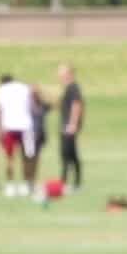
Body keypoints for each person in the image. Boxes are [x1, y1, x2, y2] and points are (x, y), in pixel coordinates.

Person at [0, 69, 39, 196]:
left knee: (9, 157)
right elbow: (33, 107)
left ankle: (10, 185)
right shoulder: (24, 88)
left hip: (9, 127)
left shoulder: (0, 91)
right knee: (27, 156)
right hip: (26, 126)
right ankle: (26, 184)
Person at [51, 63, 86, 191]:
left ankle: (66, 182)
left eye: (61, 72)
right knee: (70, 154)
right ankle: (74, 182)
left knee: (67, 154)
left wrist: (72, 124)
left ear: (68, 74)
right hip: (65, 124)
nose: (58, 74)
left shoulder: (73, 87)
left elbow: (76, 105)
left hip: (68, 126)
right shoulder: (67, 88)